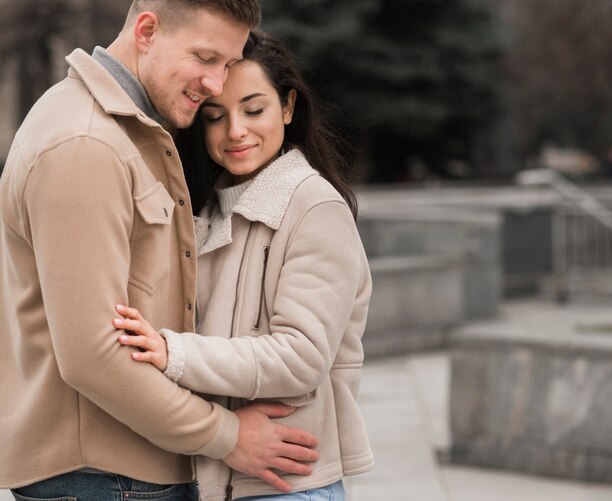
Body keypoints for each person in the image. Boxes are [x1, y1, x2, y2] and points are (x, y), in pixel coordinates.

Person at [0, 2, 320, 500]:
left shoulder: (129, 129)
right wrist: (228, 437)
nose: (217, 84)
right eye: (205, 58)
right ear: (147, 30)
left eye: (229, 65)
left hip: (122, 473)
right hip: (104, 479)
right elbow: (92, 356)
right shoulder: (86, 143)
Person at [113, 31, 374, 501]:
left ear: (289, 107)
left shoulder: (313, 207)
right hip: (216, 474)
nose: (236, 131)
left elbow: (300, 358)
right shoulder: (205, 209)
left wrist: (175, 354)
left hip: (287, 483)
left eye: (254, 110)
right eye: (216, 117)